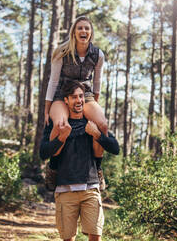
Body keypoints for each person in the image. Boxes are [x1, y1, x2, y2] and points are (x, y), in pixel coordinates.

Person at [40, 81, 119, 241]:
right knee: (68, 238)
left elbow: (115, 148)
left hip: (91, 188)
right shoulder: (58, 125)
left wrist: (97, 135)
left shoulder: (91, 123)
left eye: (81, 96)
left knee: (96, 237)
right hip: (65, 190)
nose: (79, 100)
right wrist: (61, 138)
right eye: (74, 97)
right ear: (66, 100)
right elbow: (43, 153)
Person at [44, 16, 108, 139]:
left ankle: (97, 159)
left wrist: (94, 104)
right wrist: (46, 111)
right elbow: (53, 82)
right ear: (74, 32)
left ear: (91, 33)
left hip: (86, 95)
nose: (83, 31)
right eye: (79, 28)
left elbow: (97, 82)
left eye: (87, 28)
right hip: (62, 94)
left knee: (103, 125)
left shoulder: (98, 55)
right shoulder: (62, 52)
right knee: (60, 125)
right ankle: (52, 156)